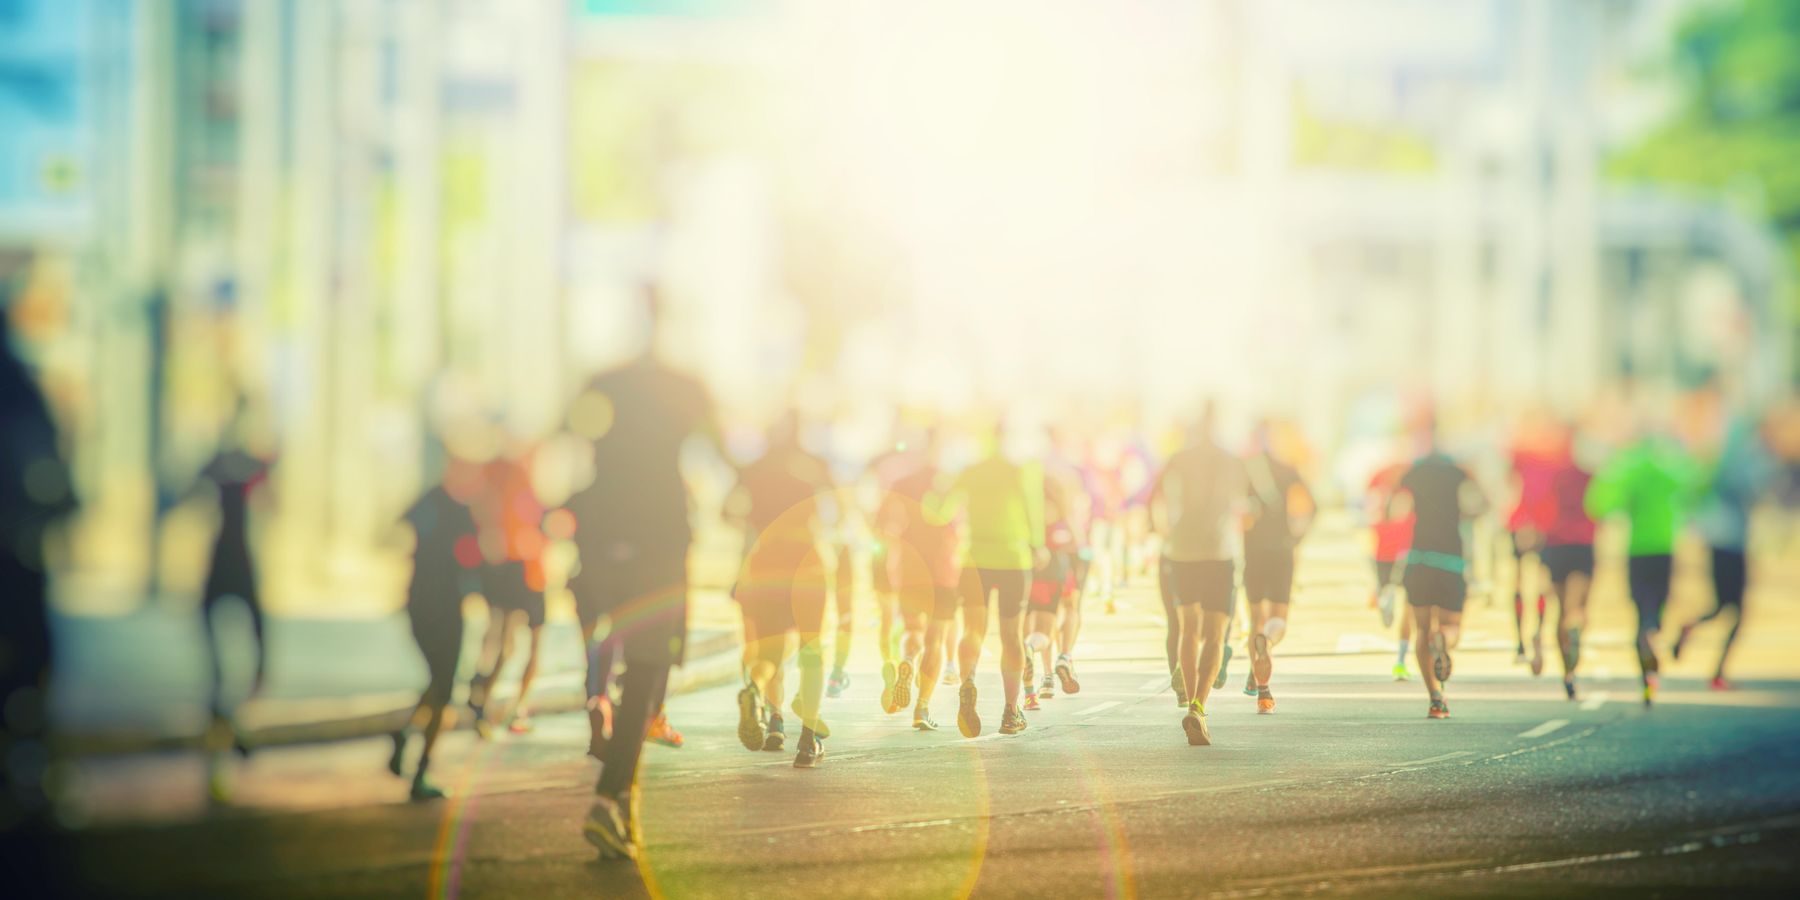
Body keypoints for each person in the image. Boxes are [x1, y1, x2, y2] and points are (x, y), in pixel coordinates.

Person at [569, 287, 725, 860]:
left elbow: (570, 431)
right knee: (646, 670)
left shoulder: (604, 381)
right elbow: (721, 448)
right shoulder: (687, 386)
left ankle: (619, 789)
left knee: (606, 643)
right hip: (660, 541)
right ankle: (610, 798)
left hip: (600, 535)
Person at [0, 304, 75, 881]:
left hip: (16, 557)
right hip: (17, 559)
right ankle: (30, 762)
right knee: (32, 660)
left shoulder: (21, 393)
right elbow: (55, 481)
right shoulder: (22, 392)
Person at [729, 411, 837, 766]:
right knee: (811, 650)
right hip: (806, 562)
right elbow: (834, 514)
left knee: (769, 654)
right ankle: (808, 740)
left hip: (764, 563)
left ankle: (757, 694)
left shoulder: (753, 470)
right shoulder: (814, 466)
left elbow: (726, 512)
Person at [927, 423, 1044, 738]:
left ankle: (968, 681)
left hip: (975, 559)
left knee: (973, 630)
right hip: (1012, 558)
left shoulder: (969, 472)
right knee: (1011, 635)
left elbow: (939, 512)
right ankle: (1010, 710)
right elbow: (1033, 514)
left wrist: (936, 490)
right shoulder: (1018, 471)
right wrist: (1037, 546)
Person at [1585, 427, 1704, 708]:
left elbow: (1601, 505)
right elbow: (1693, 492)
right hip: (1664, 548)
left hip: (1637, 550)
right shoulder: (1667, 469)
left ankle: (1646, 680)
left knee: (1640, 613)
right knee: (1657, 609)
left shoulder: (1630, 470)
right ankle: (1653, 642)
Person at [1150, 403, 1247, 745]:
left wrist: (1166, 533)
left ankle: (1190, 699)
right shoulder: (1231, 460)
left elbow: (1156, 499)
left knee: (1188, 629)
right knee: (1215, 635)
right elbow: (1250, 503)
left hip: (1182, 551)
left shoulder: (1178, 459)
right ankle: (1198, 706)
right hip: (1219, 551)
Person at [193, 407, 273, 801]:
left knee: (230, 658)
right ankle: (232, 718)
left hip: (228, 557)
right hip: (235, 558)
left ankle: (231, 717)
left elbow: (195, 486)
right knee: (249, 645)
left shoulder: (228, 466)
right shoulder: (246, 467)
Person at [389, 454, 480, 800]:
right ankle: (421, 772)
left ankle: (406, 732)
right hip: (447, 607)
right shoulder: (464, 512)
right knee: (446, 691)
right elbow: (476, 558)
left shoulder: (428, 501)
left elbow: (399, 527)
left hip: (417, 601)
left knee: (438, 682)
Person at [1385, 420, 1488, 720]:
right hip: (1451, 559)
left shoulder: (1412, 471)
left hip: (1419, 559)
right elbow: (1483, 505)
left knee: (1421, 630)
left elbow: (1392, 509)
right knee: (1451, 625)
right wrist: (1464, 515)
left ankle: (1436, 698)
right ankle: (1443, 639)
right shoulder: (1459, 472)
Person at [1674, 413, 1773, 690]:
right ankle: (1717, 672)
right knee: (1736, 613)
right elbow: (1750, 490)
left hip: (1719, 542)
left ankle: (1692, 628)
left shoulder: (1719, 461)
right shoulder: (1739, 462)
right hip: (1732, 545)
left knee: (1721, 607)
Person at [874, 427, 962, 730]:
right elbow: (961, 524)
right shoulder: (950, 483)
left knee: (912, 629)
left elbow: (880, 523)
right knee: (935, 638)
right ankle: (922, 709)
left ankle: (908, 659)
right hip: (942, 568)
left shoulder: (901, 481)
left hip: (909, 568)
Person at [467, 445, 549, 737]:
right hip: (522, 572)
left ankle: (490, 700)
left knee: (511, 642)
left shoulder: (505, 479)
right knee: (515, 643)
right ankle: (495, 702)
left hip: (522, 571)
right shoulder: (514, 479)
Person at [1240, 420, 1314, 714]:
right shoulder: (1287, 469)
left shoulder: (1244, 471)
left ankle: (1262, 691)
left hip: (1252, 551)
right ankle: (1268, 642)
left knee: (1255, 617)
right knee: (1278, 618)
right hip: (1282, 550)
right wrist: (1297, 537)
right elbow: (1313, 506)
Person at [1539, 426, 1595, 701]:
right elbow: (1600, 508)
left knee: (1559, 609)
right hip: (1582, 544)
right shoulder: (1588, 475)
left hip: (1555, 544)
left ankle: (1567, 674)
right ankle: (1576, 624)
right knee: (1579, 605)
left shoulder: (1552, 475)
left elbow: (1542, 507)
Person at [1505, 417, 1561, 673]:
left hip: (1521, 521)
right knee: (1540, 584)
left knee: (1519, 583)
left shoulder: (1519, 452)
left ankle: (1520, 643)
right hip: (1544, 524)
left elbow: (1511, 485)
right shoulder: (1555, 455)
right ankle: (1536, 633)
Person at [1366, 456, 1415, 681]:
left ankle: (1384, 596)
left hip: (1386, 552)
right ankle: (1401, 660)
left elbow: (1369, 514)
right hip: (1402, 551)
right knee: (1408, 607)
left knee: (1399, 601)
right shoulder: (1410, 487)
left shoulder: (1381, 483)